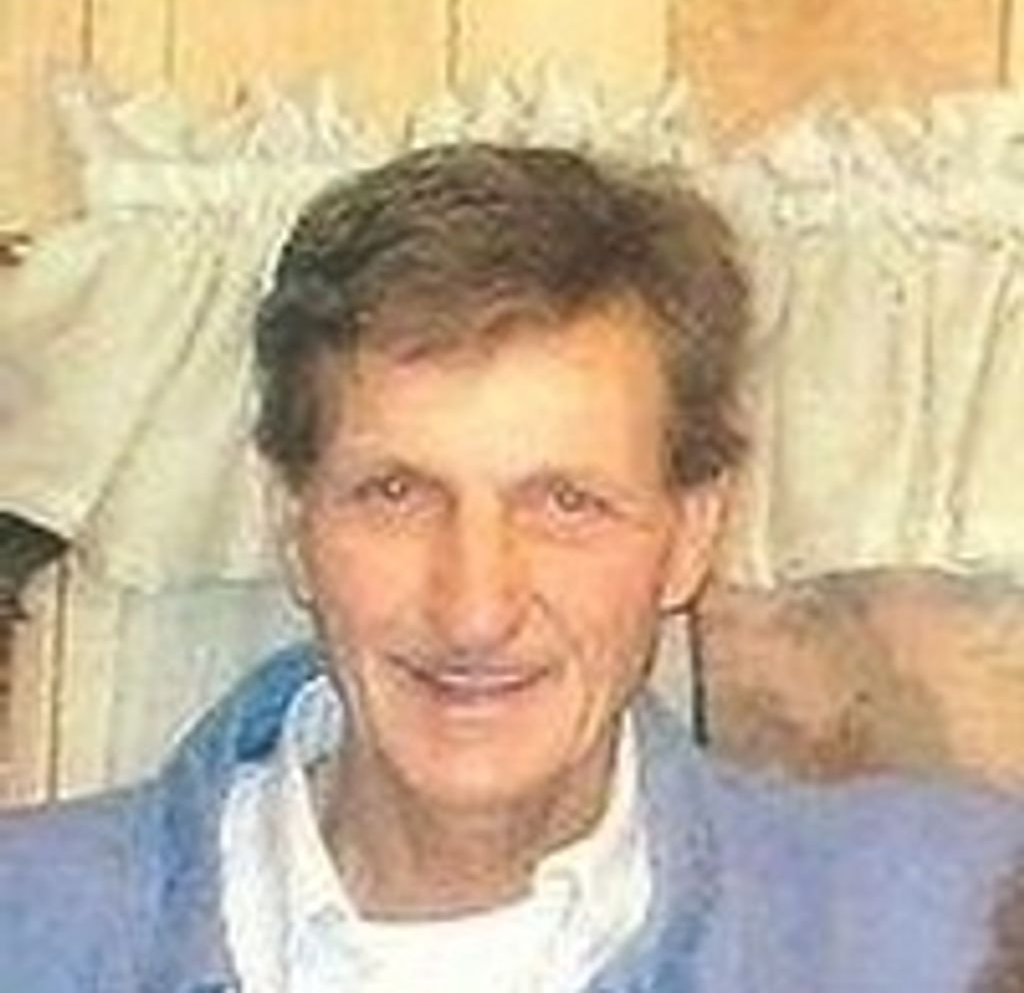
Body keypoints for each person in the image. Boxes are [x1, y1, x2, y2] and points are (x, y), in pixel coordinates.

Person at [0, 143, 1021, 993]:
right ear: (291, 521)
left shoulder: (947, 923)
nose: (475, 608)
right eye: (396, 494)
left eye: (566, 504)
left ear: (689, 536)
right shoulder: (30, 924)